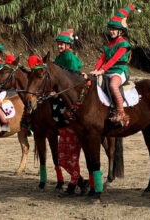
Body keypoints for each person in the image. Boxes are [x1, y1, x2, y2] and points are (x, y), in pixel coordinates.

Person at [52, 29, 89, 197]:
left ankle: (74, 184)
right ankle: (81, 181)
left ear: (69, 44)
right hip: (60, 109)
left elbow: (73, 81)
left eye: (63, 43)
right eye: (58, 43)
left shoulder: (69, 57)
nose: (60, 45)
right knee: (62, 158)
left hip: (70, 108)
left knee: (70, 155)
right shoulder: (58, 58)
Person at [90, 4, 141, 127]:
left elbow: (113, 60)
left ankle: (121, 112)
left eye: (114, 29)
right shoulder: (108, 45)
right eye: (110, 29)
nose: (111, 31)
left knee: (113, 85)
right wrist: (96, 69)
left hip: (119, 71)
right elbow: (102, 58)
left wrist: (102, 70)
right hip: (107, 70)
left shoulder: (123, 44)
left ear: (121, 31)